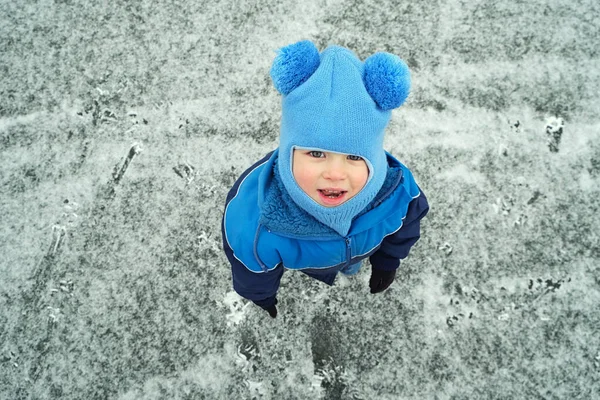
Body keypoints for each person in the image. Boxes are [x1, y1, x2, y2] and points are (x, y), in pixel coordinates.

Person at [221, 40, 429, 318]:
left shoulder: (399, 194)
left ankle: (349, 265)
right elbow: (251, 268)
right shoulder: (254, 223)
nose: (334, 173)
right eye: (316, 153)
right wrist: (261, 295)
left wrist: (387, 261)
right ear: (289, 152)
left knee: (350, 259)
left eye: (354, 157)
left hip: (357, 250)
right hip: (312, 262)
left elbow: (404, 229)